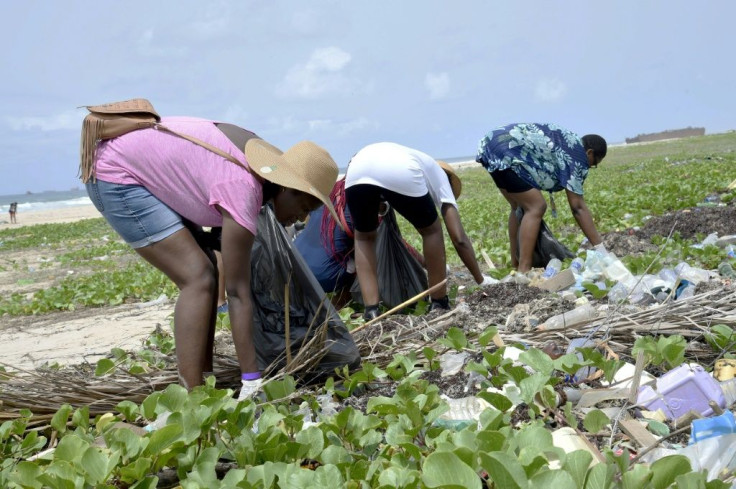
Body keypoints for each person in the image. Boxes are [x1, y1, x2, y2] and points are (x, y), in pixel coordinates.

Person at [83, 117, 340, 400]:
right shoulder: (243, 188)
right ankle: (192, 397)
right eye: (303, 206)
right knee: (198, 277)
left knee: (208, 270)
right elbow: (238, 294)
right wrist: (252, 379)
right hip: (116, 173)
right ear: (286, 187)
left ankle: (203, 381)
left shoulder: (259, 168)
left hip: (135, 166)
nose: (302, 218)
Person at [344, 142, 493, 320]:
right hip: (398, 168)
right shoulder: (441, 178)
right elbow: (458, 237)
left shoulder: (420, 163)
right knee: (431, 231)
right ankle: (439, 302)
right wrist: (481, 279)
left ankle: (371, 310)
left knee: (364, 238)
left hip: (356, 169)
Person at [476, 122, 607, 272]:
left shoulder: (567, 140)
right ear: (589, 153)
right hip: (507, 149)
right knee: (536, 207)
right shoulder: (578, 154)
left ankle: (515, 262)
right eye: (593, 164)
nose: (589, 167)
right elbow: (577, 207)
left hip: (491, 144)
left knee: (518, 207)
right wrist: (601, 249)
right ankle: (524, 269)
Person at [294, 178, 424, 308]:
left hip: (294, 263)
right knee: (367, 254)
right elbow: (396, 244)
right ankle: (339, 303)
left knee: (347, 245)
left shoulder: (328, 193)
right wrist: (426, 264)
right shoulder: (362, 202)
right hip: (322, 277)